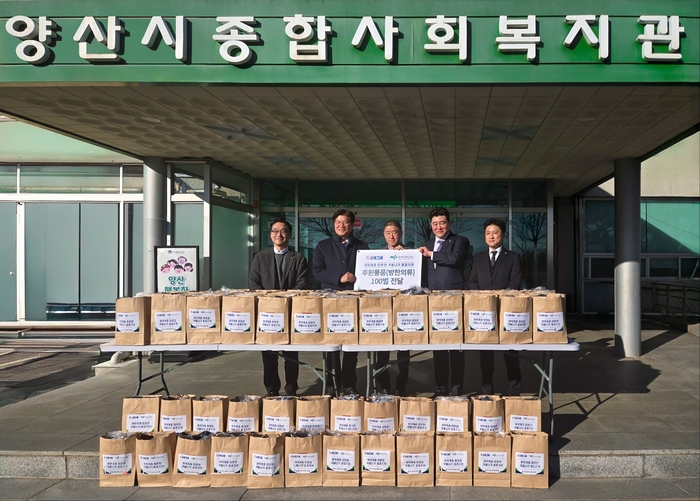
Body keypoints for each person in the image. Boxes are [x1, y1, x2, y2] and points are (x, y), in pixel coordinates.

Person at [249, 218, 308, 397]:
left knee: (291, 355)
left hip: (291, 311)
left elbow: (302, 283)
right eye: (275, 231)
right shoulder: (260, 258)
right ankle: (272, 390)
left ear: (289, 235)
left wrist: (284, 300)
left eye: (283, 231)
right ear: (270, 235)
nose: (279, 234)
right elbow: (254, 283)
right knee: (269, 355)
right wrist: (270, 301)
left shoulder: (298, 258)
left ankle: (291, 389)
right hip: (268, 314)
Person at [313, 209, 369, 395]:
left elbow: (369, 271)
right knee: (331, 347)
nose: (341, 225)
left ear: (352, 225)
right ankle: (331, 386)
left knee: (351, 347)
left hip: (354, 303)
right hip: (331, 302)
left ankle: (350, 385)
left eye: (345, 222)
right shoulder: (323, 246)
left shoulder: (362, 246)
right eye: (338, 222)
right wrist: (339, 277)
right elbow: (317, 271)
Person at [418, 207, 470, 397]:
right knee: (438, 348)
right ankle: (440, 389)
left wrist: (431, 254)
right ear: (430, 225)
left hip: (454, 300)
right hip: (433, 301)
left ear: (449, 223)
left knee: (456, 348)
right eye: (435, 223)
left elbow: (455, 258)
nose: (438, 227)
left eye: (442, 223)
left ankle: (456, 391)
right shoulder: (427, 244)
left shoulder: (460, 241)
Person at [468, 218, 522, 396]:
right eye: (488, 233)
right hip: (484, 313)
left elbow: (515, 283)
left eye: (495, 232)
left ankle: (514, 389)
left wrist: (501, 300)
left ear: (503, 235)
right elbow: (473, 281)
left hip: (506, 311)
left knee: (511, 353)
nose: (491, 236)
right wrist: (482, 301)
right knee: (486, 355)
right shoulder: (478, 258)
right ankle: (487, 389)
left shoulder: (513, 257)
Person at [376, 220, 410, 396]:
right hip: (382, 308)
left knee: (403, 350)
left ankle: (401, 385)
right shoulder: (377, 255)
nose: (391, 236)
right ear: (384, 235)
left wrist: (405, 257)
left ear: (400, 233)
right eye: (388, 233)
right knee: (382, 350)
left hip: (403, 307)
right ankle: (384, 385)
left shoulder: (410, 254)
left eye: (395, 232)